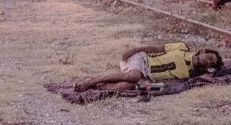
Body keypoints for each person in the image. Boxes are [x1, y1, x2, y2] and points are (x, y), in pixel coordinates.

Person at [74, 42, 224, 92]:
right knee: (134, 77)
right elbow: (156, 48)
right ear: (203, 51)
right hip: (141, 60)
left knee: (125, 86)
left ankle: (96, 87)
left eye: (211, 63)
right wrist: (134, 50)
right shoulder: (182, 47)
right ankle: (91, 80)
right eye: (210, 58)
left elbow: (209, 78)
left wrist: (213, 71)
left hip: (146, 75)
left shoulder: (191, 74)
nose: (208, 62)